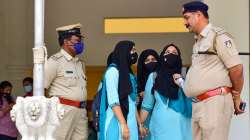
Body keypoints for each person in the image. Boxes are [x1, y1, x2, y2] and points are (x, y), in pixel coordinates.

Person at [182, 1, 244, 140]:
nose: (185, 22)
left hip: (214, 102)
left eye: (187, 17)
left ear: (198, 15)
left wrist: (236, 95)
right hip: (198, 104)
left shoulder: (218, 36)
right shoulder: (197, 42)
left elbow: (236, 68)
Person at [44, 23, 88, 140]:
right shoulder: (55, 61)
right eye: (77, 41)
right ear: (66, 41)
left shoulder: (80, 63)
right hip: (63, 111)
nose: (80, 44)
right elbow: (41, 86)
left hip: (81, 111)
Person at [140, 44, 192, 140]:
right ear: (162, 56)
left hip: (183, 128)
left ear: (179, 57)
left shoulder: (187, 73)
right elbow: (147, 106)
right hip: (160, 128)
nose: (170, 55)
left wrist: (181, 83)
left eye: (174, 53)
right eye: (167, 52)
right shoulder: (154, 76)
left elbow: (196, 98)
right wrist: (140, 124)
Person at [99, 40, 139, 140]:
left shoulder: (128, 75)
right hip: (117, 122)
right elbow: (113, 101)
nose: (134, 53)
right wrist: (123, 124)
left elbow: (131, 103)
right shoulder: (112, 72)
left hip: (130, 122)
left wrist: (139, 124)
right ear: (124, 52)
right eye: (132, 50)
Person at [136, 49, 159, 140]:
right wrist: (139, 96)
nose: (151, 62)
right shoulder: (136, 81)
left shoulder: (162, 77)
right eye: (147, 60)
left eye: (153, 59)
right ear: (142, 63)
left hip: (159, 116)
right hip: (144, 118)